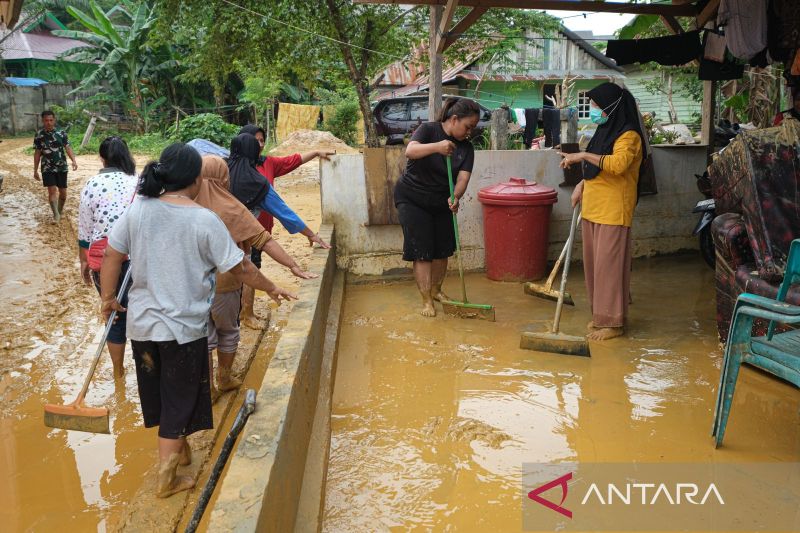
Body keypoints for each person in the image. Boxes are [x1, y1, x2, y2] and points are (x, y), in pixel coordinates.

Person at [100, 143, 296, 498]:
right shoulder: (203, 219)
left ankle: (181, 449)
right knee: (180, 400)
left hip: (142, 326)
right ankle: (167, 478)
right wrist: (271, 287)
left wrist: (108, 298)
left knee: (161, 396)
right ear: (196, 179)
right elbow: (241, 266)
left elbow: (112, 254)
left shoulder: (139, 209)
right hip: (182, 328)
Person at [194, 155, 312, 397]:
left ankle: (209, 390)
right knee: (228, 332)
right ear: (224, 177)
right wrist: (293, 266)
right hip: (226, 285)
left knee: (202, 337)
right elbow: (263, 240)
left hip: (191, 287)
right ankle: (224, 377)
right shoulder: (231, 206)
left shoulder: (185, 205)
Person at [558, 82, 647, 341]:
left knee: (609, 267)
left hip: (614, 210)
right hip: (594, 208)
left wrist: (583, 156)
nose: (594, 110)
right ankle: (600, 316)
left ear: (612, 106)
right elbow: (598, 169)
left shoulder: (629, 136)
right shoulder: (604, 132)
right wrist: (581, 184)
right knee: (595, 267)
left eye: (597, 106)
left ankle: (613, 322)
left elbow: (618, 165)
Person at [236, 125, 334, 326]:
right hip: (250, 234)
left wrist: (315, 152)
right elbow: (284, 212)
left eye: (262, 140)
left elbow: (293, 161)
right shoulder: (254, 180)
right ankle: (246, 314)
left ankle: (242, 312)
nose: (260, 145)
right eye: (255, 141)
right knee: (248, 268)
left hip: (256, 232)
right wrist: (309, 236)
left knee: (244, 268)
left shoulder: (258, 165)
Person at [393, 97, 479, 317]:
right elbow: (410, 151)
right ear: (454, 119)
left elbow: (463, 178)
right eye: (467, 127)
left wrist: (455, 196)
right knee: (422, 251)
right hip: (412, 198)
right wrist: (437, 148)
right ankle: (426, 300)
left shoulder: (466, 148)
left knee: (443, 250)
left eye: (473, 128)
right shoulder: (428, 130)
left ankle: (437, 291)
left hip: (442, 200)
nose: (469, 132)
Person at [77, 136, 138, 378]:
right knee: (141, 310)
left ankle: (118, 372)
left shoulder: (92, 184)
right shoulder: (138, 181)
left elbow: (85, 229)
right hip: (137, 257)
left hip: (103, 259)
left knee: (113, 314)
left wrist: (83, 260)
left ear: (102, 158)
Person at [33, 110, 78, 223]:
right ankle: (56, 215)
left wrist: (73, 160)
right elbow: (37, 152)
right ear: (42, 121)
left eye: (51, 120)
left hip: (61, 167)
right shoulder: (39, 135)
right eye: (46, 120)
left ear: (54, 120)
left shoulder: (61, 133)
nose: (49, 122)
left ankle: (59, 211)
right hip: (47, 167)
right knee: (52, 191)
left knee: (63, 193)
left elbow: (67, 147)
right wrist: (35, 170)